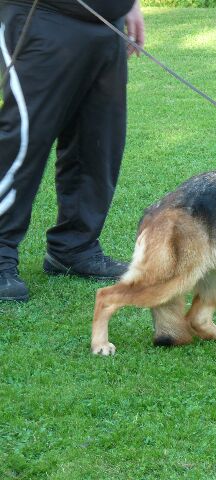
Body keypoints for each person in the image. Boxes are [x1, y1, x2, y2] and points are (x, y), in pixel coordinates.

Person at [0, 0, 144, 301]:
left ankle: (75, 246)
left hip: (106, 23)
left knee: (98, 140)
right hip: (40, 15)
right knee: (25, 139)